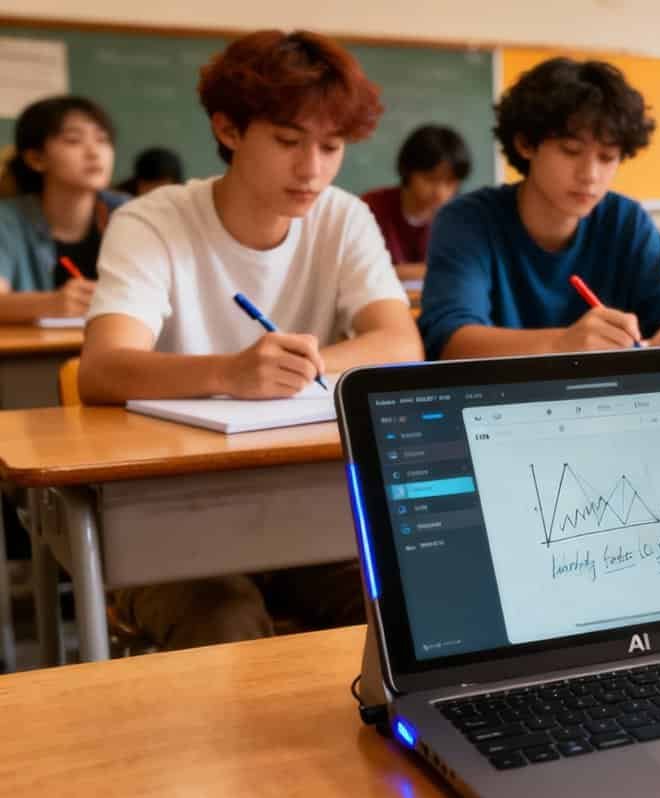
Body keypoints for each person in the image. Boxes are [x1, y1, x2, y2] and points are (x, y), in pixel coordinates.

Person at [78, 30, 424, 650]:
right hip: (172, 522)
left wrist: (308, 364)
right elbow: (102, 368)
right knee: (224, 623)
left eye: (331, 146)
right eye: (288, 142)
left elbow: (400, 342)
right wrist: (229, 374)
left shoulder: (343, 217)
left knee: (403, 610)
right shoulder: (152, 221)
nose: (312, 169)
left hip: (306, 514)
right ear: (230, 130)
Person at [419, 57, 660, 360]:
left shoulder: (624, 220)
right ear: (525, 144)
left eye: (607, 157)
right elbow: (450, 340)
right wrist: (562, 344)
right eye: (571, 151)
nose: (590, 175)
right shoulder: (468, 221)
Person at [0, 95, 124, 324]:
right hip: (31, 356)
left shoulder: (130, 214)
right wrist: (52, 303)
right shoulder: (6, 221)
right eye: (73, 140)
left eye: (103, 140)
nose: (94, 152)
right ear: (36, 158)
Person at [361, 124, 471, 281]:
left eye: (450, 182)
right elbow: (360, 271)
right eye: (431, 179)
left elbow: (464, 271)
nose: (440, 192)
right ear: (407, 171)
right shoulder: (371, 206)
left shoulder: (461, 216)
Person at [115, 147, 183, 197]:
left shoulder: (184, 202)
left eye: (161, 187)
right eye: (150, 189)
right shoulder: (119, 200)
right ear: (138, 183)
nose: (155, 195)